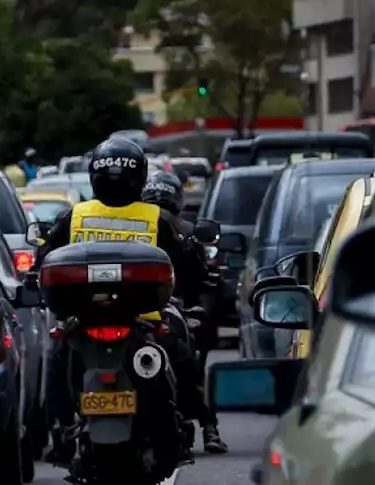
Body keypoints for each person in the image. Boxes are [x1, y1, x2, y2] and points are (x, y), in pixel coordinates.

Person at [30, 137, 208, 462]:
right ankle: (179, 431)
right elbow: (188, 266)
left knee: (58, 363)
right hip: (146, 322)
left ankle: (62, 433)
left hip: (86, 321)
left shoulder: (76, 216)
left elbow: (44, 257)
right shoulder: (157, 218)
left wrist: (35, 278)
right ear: (139, 177)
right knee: (181, 362)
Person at [140, 174, 228, 454]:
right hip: (158, 308)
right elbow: (200, 274)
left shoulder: (138, 223)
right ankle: (208, 426)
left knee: (191, 351)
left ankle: (65, 428)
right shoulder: (180, 229)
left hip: (143, 307)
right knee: (190, 360)